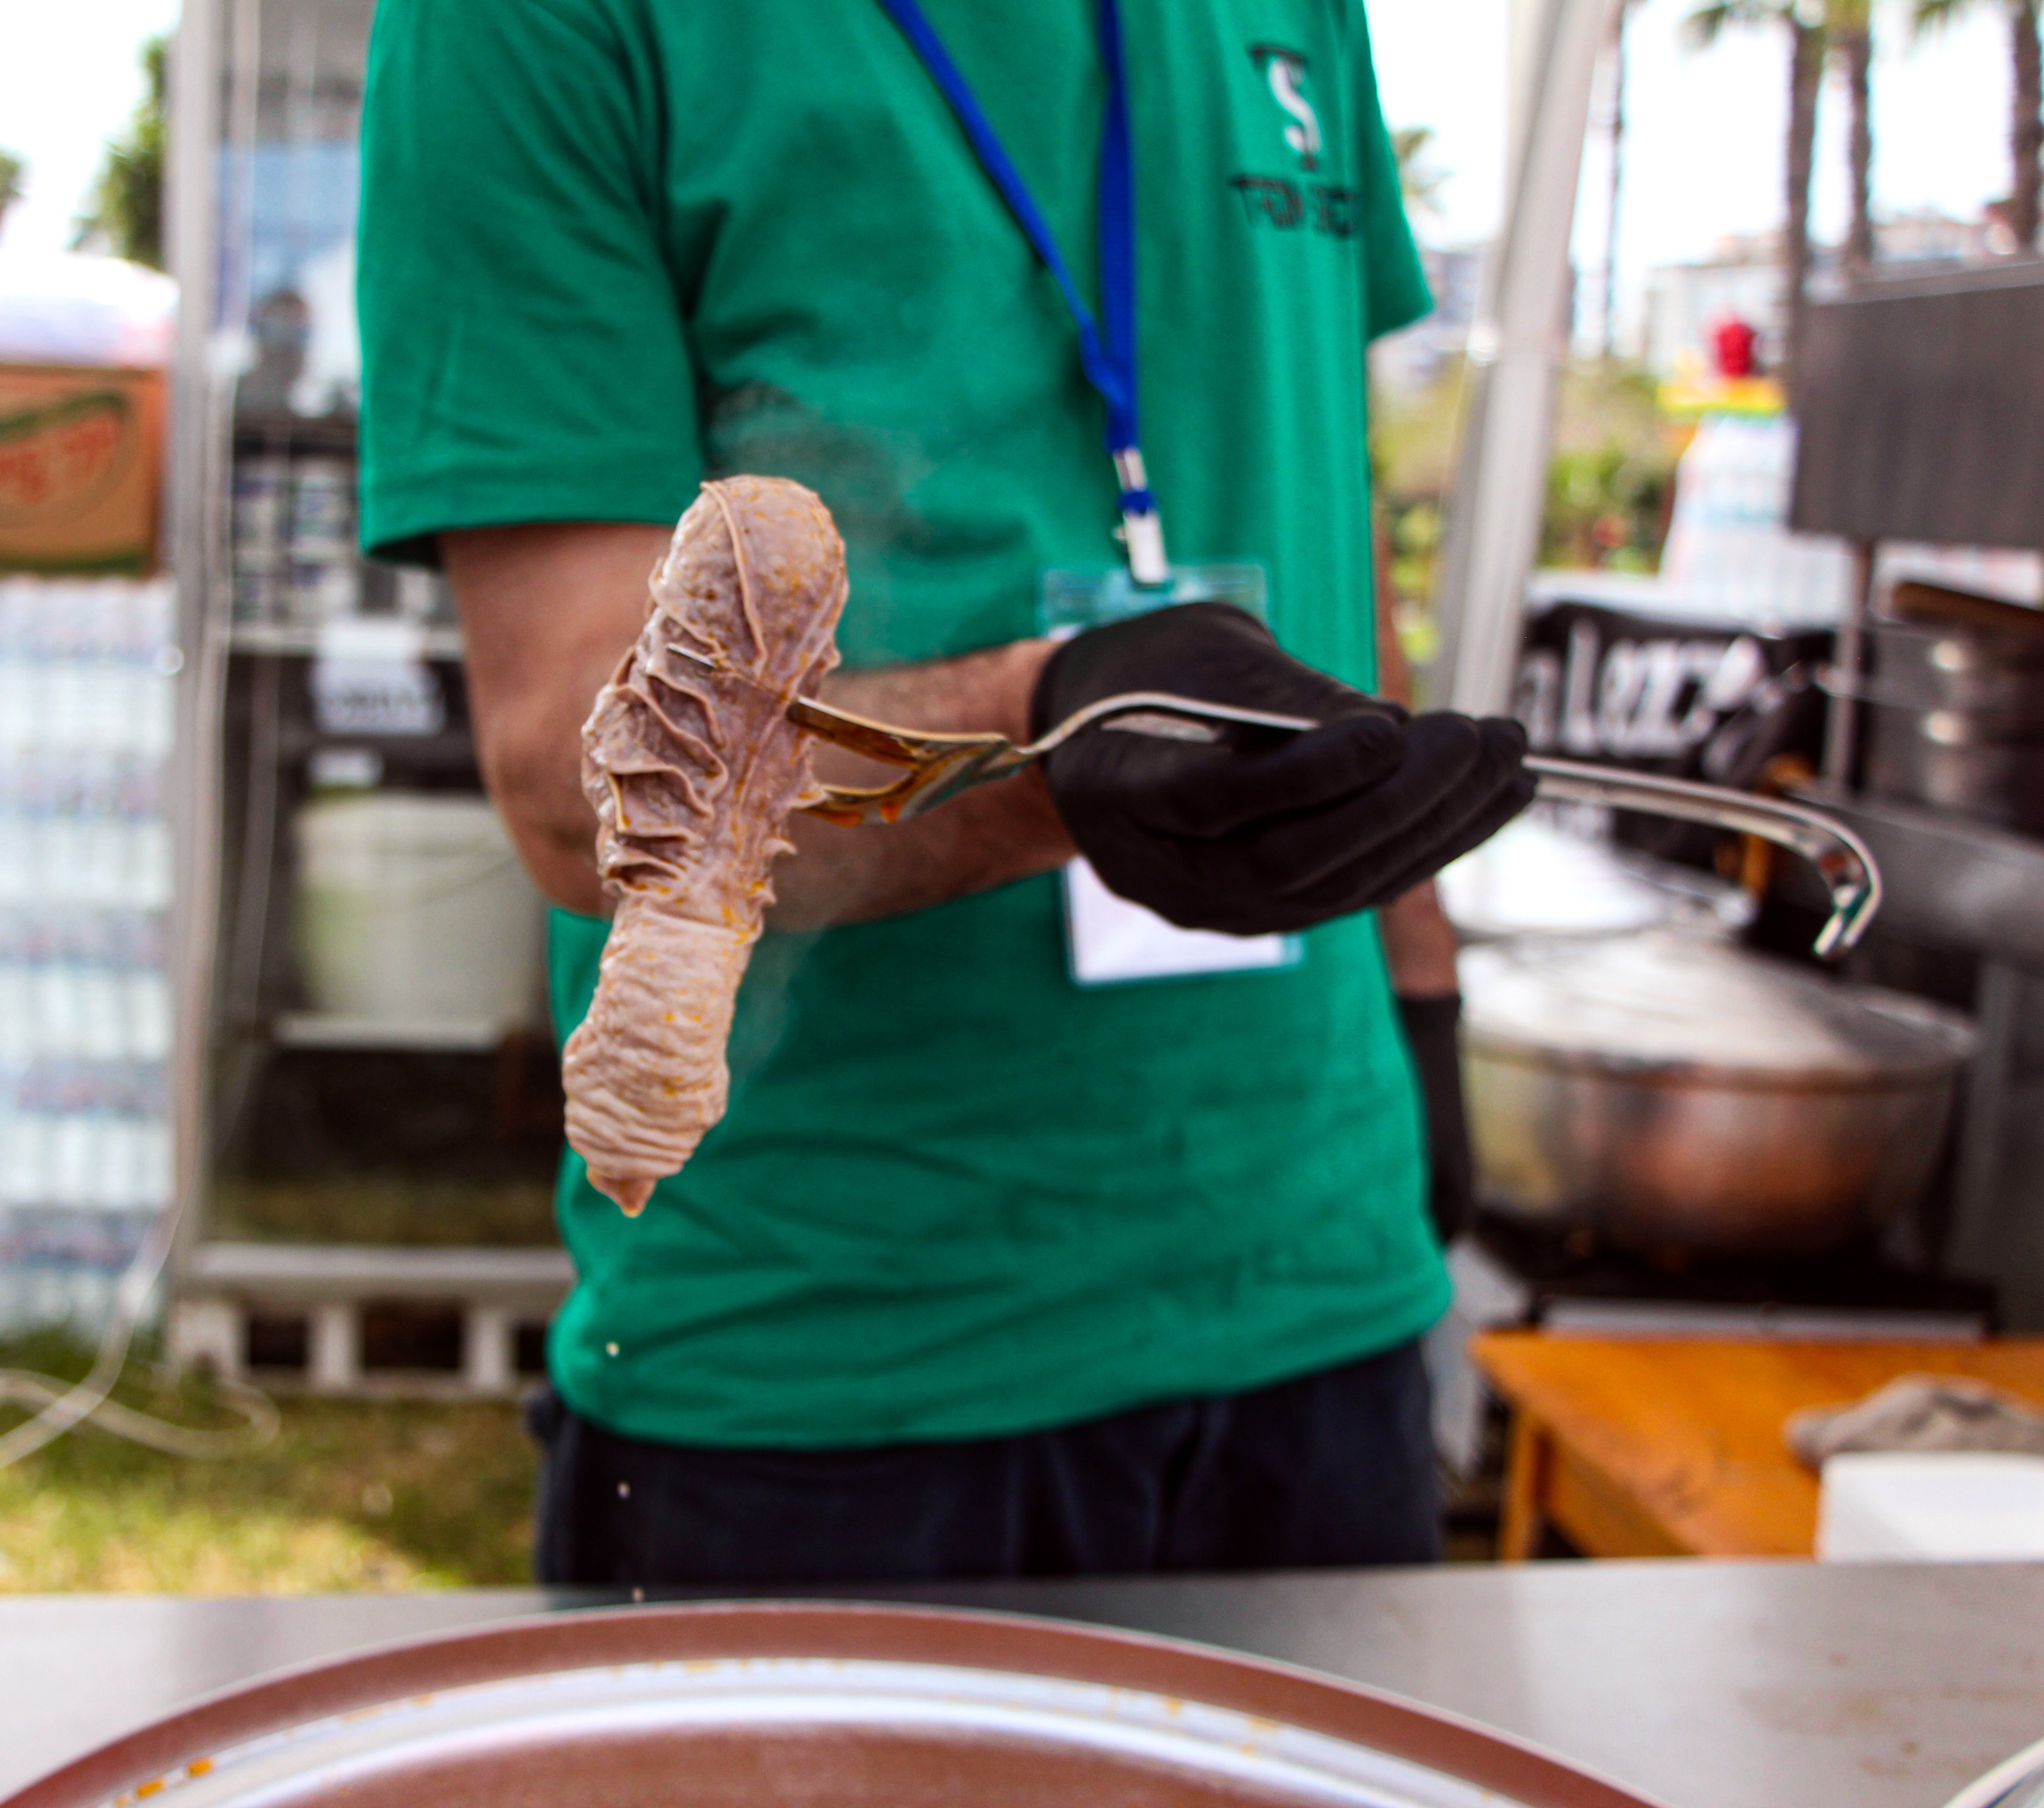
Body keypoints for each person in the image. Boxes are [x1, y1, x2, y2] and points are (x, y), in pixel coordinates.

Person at [356, 0, 1532, 1585]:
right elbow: (582, 773)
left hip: (1323, 1300)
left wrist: (1419, 982)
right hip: (825, 1368)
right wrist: (1042, 732)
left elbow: (1316, 475)